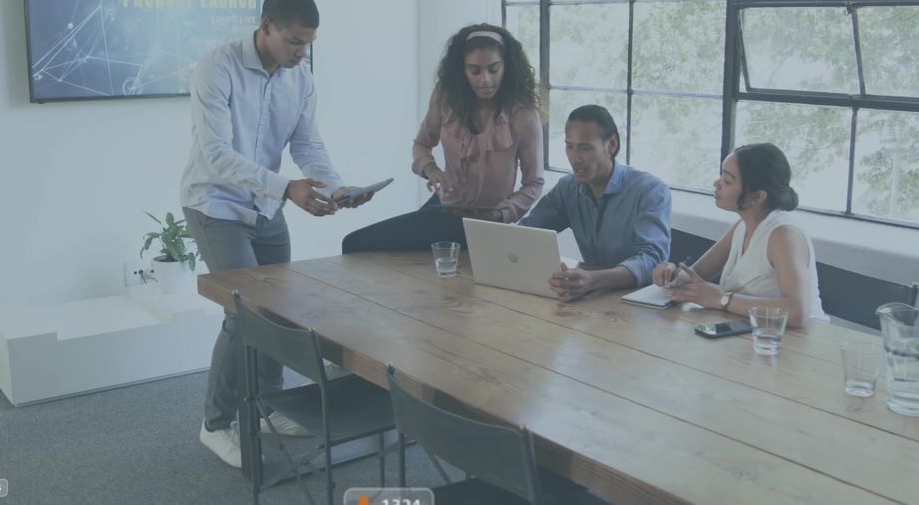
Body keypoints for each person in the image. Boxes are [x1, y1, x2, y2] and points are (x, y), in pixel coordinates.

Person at [180, 0, 374, 469]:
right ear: (266, 26)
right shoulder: (216, 68)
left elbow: (306, 144)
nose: (301, 51)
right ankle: (215, 423)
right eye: (293, 41)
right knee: (244, 313)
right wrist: (288, 189)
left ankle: (268, 406)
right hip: (217, 206)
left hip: (266, 208)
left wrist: (336, 187)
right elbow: (218, 156)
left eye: (308, 43)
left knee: (278, 312)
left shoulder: (300, 77)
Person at [340, 23, 544, 252]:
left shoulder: (522, 114)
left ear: (507, 66)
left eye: (494, 69)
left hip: (487, 222)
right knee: (359, 245)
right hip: (445, 209)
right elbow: (421, 145)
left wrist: (504, 213)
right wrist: (433, 171)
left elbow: (534, 183)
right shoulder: (446, 96)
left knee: (358, 245)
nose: (485, 79)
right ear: (462, 70)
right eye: (474, 71)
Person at [651, 142, 826, 328]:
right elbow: (697, 273)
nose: (716, 184)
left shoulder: (783, 234)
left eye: (727, 181)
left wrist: (721, 299)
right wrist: (672, 275)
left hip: (802, 343)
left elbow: (798, 312)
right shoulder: (742, 226)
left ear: (757, 197)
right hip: (754, 334)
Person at [519, 104, 671, 302]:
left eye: (585, 148)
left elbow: (652, 261)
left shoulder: (650, 191)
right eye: (569, 146)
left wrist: (593, 280)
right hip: (592, 303)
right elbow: (526, 234)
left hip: (642, 308)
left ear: (612, 145)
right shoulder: (568, 188)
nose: (574, 158)